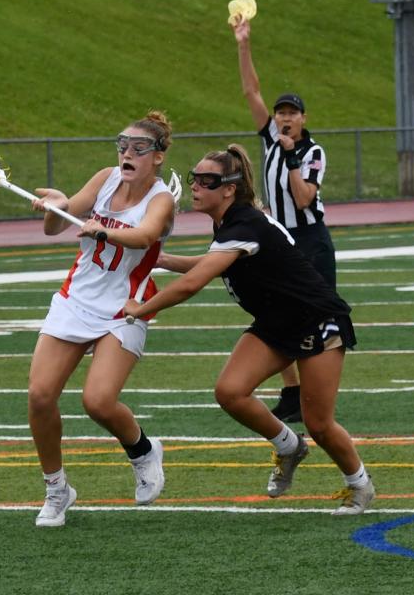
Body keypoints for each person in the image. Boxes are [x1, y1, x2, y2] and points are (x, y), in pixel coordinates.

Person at [123, 144, 375, 515]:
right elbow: (210, 262)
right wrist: (156, 258)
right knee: (230, 391)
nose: (196, 186)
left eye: (207, 181)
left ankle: (360, 485)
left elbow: (195, 282)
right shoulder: (230, 223)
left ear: (229, 188)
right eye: (195, 178)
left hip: (316, 319)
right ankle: (289, 446)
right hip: (277, 322)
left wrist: (140, 309)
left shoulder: (244, 223)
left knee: (320, 423)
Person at [27, 111, 176, 526]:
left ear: (158, 156)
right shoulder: (106, 177)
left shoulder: (160, 199)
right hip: (76, 299)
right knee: (40, 397)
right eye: (122, 145)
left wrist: (103, 232)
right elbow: (55, 227)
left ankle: (143, 450)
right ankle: (57, 489)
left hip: (124, 307)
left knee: (97, 401)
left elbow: (145, 236)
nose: (127, 153)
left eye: (139, 148)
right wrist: (55, 206)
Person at [231, 16, 337, 424]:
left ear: (304, 119)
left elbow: (304, 197)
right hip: (281, 239)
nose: (283, 117)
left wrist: (292, 155)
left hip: (310, 239)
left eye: (291, 112)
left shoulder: (312, 152)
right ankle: (292, 390)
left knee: (316, 316)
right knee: (274, 309)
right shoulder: (271, 140)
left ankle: (314, 395)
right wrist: (243, 43)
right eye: (280, 113)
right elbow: (250, 89)